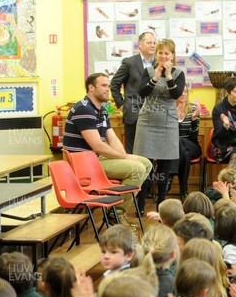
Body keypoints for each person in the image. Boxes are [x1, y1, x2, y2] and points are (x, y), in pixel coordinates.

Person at [62, 73, 152, 225]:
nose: (108, 89)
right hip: (82, 165)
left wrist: (125, 156)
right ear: (91, 88)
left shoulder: (102, 110)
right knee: (137, 168)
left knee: (146, 163)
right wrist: (125, 158)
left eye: (109, 86)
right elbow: (97, 145)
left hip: (95, 160)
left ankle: (114, 208)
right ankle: (115, 215)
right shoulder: (83, 109)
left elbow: (113, 140)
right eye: (103, 85)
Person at [134, 38, 185, 212]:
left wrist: (168, 75)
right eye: (160, 53)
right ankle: (140, 204)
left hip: (168, 123)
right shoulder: (148, 71)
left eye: (167, 53)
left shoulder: (179, 74)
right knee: (144, 165)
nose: (163, 56)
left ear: (172, 55)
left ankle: (161, 204)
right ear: (156, 55)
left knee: (164, 166)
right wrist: (155, 77)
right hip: (147, 122)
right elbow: (142, 92)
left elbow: (176, 94)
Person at [110, 31, 157, 154]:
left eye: (154, 43)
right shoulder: (129, 63)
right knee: (133, 150)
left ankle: (151, 174)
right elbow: (114, 83)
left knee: (151, 150)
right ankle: (133, 173)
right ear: (140, 45)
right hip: (133, 113)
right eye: (149, 42)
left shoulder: (158, 64)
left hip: (154, 112)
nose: (152, 45)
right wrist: (121, 104)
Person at [173, 87, 202, 200]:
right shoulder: (169, 108)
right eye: (181, 91)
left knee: (179, 140)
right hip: (173, 147)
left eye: (185, 91)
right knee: (185, 155)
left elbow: (194, 136)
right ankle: (183, 190)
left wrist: (194, 119)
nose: (183, 93)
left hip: (192, 145)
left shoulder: (193, 108)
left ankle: (170, 177)